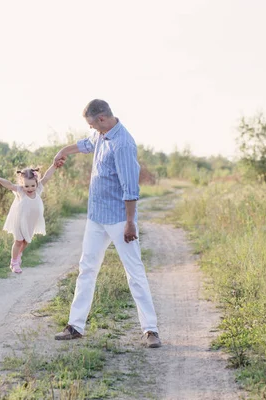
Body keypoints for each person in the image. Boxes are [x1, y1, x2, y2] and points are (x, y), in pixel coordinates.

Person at [53, 99, 161, 348]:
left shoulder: (123, 144)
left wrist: (131, 222)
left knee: (134, 273)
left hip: (119, 218)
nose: (92, 129)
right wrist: (63, 152)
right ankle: (75, 326)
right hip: (96, 217)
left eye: (93, 124)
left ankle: (150, 330)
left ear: (102, 119)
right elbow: (85, 144)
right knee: (86, 269)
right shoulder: (100, 135)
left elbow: (130, 187)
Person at [0, 164, 57, 273]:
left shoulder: (38, 189)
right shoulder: (20, 191)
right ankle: (14, 262)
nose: (30, 189)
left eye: (33, 185)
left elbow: (46, 177)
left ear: (36, 183)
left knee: (27, 240)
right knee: (18, 241)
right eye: (27, 186)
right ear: (22, 184)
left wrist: (54, 166)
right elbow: (9, 184)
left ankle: (18, 255)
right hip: (19, 220)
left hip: (31, 221)